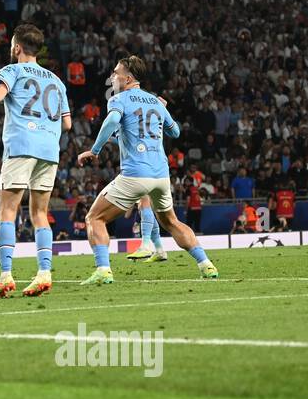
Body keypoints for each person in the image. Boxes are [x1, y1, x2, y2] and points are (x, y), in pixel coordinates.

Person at [75, 55, 219, 286]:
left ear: (128, 78)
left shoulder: (119, 99)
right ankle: (206, 264)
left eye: (116, 72)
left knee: (94, 217)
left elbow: (112, 122)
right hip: (161, 176)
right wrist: (162, 112)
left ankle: (103, 269)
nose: (112, 76)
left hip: (135, 174)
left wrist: (95, 150)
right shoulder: (155, 102)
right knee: (172, 222)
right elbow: (176, 132)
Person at [0, 23, 71, 298]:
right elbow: (67, 124)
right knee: (40, 214)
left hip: (21, 145)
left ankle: (6, 275)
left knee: (8, 211)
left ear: (17, 47)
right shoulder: (56, 80)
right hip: (49, 150)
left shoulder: (11, 71)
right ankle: (44, 272)